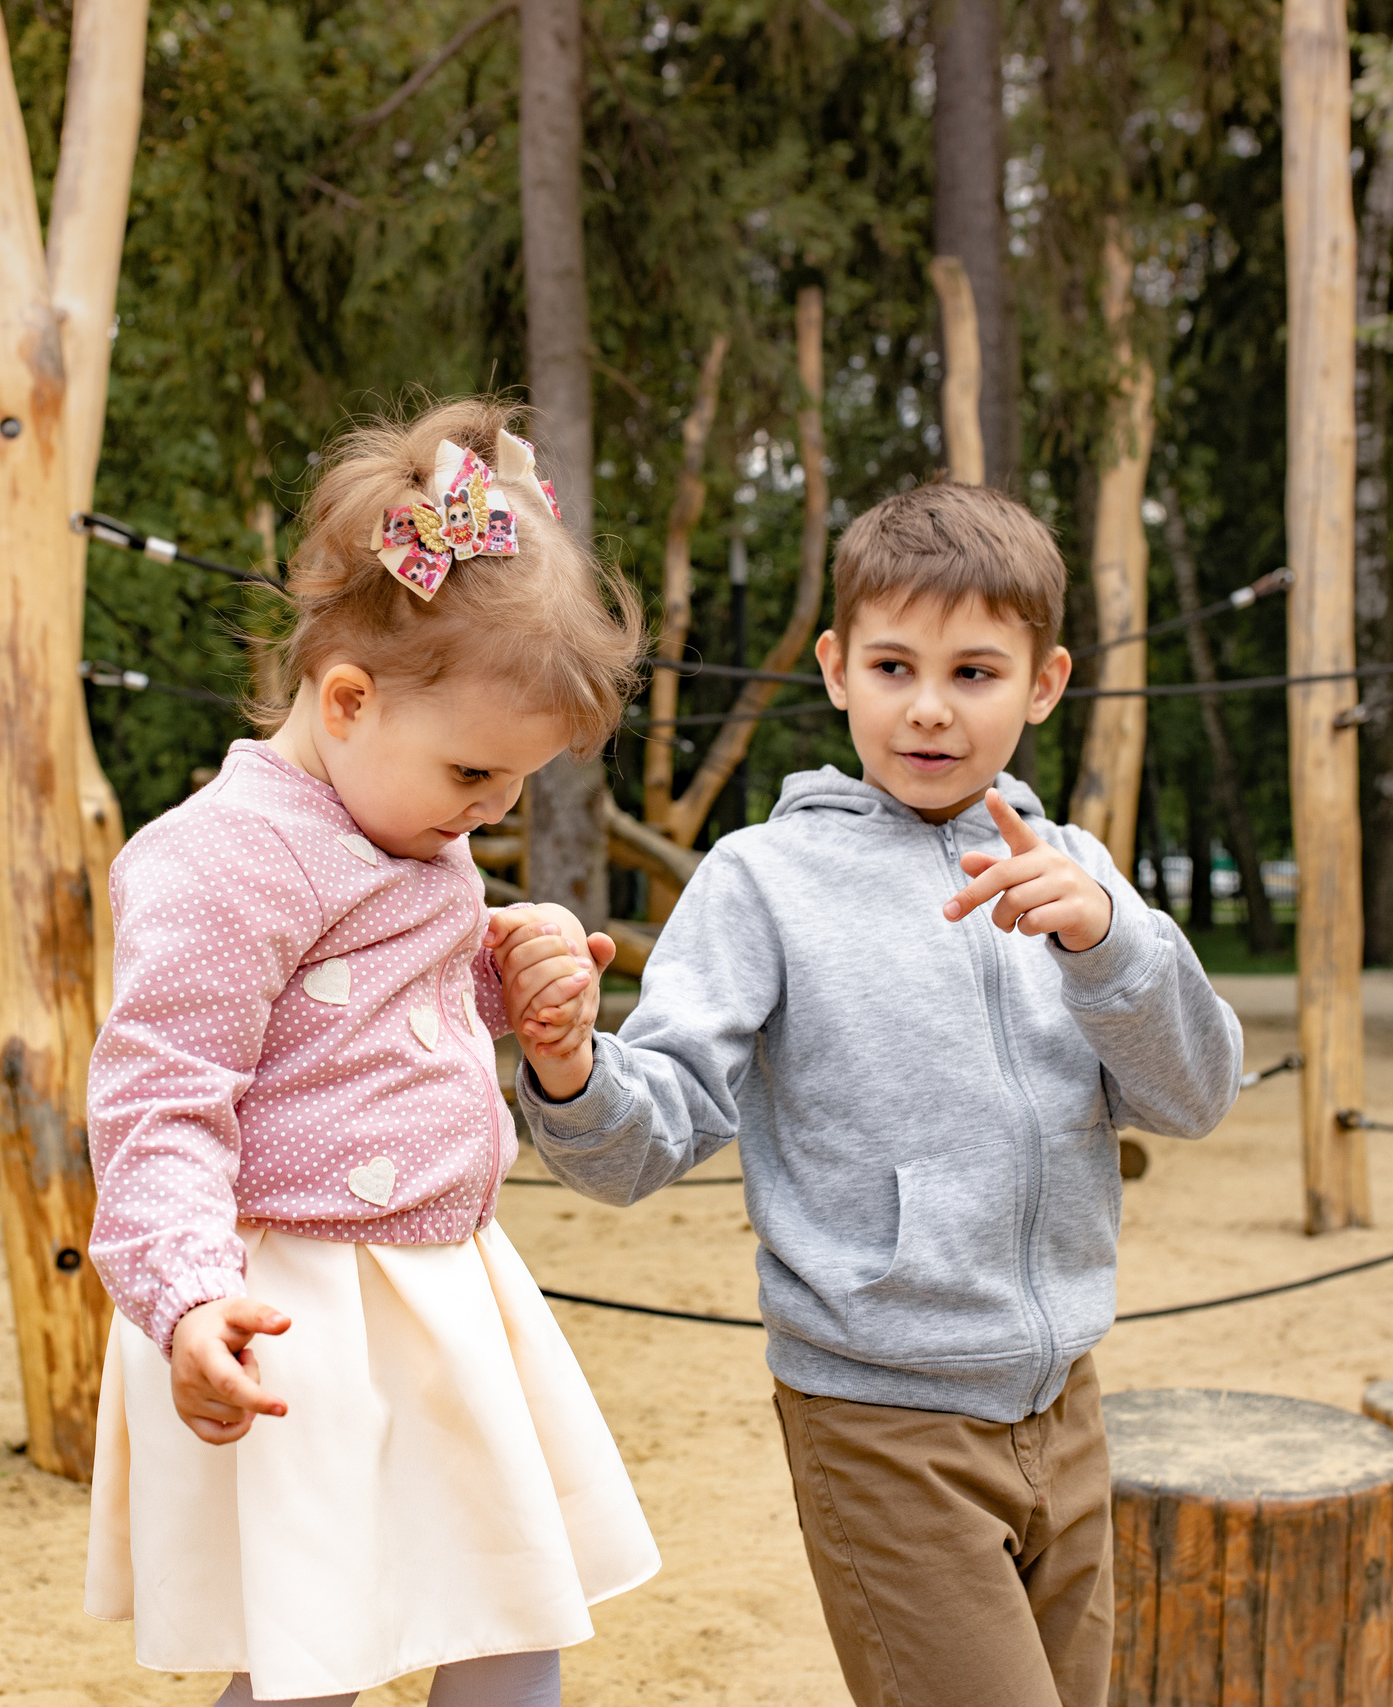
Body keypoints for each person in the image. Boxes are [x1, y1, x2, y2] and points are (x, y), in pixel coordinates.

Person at [499, 482, 1244, 1707]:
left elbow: (1195, 1094)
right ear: (837, 669)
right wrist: (573, 1070)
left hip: (1063, 1401)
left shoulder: (1080, 872)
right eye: (894, 666)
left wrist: (1113, 946)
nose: (931, 708)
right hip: (882, 1418)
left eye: (975, 672)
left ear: (1044, 684)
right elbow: (639, 1146)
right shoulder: (763, 881)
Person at [83, 399, 660, 1707]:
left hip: (438, 1292)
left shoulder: (408, 826)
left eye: (514, 784)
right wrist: (185, 1295)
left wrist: (516, 975)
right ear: (345, 699)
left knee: (510, 1602)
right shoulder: (222, 859)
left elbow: (382, 1002)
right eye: (474, 773)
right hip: (295, 1308)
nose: (489, 811)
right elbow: (158, 1098)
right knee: (313, 1651)